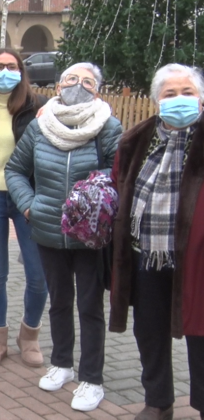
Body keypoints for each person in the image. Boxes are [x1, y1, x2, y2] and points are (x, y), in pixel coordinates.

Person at [5, 63, 122, 412]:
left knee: (89, 306)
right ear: (58, 86)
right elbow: (14, 169)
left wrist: (94, 193)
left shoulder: (108, 126)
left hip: (90, 234)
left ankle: (91, 379)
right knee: (58, 301)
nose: (79, 85)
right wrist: (29, 206)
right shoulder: (41, 126)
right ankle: (62, 364)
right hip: (47, 228)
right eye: (72, 79)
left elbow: (121, 170)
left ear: (98, 91)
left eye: (88, 82)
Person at [109, 64, 204, 420]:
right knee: (149, 330)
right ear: (156, 101)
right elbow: (120, 183)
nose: (179, 100)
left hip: (198, 259)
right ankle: (158, 401)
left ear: (201, 99)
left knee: (201, 334)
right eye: (169, 94)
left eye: (187, 93)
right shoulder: (136, 140)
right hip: (146, 255)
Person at [0, 48, 48, 368]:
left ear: (21, 71)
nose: (5, 72)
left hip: (27, 198)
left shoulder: (37, 107)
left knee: (38, 275)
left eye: (11, 66)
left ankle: (29, 337)